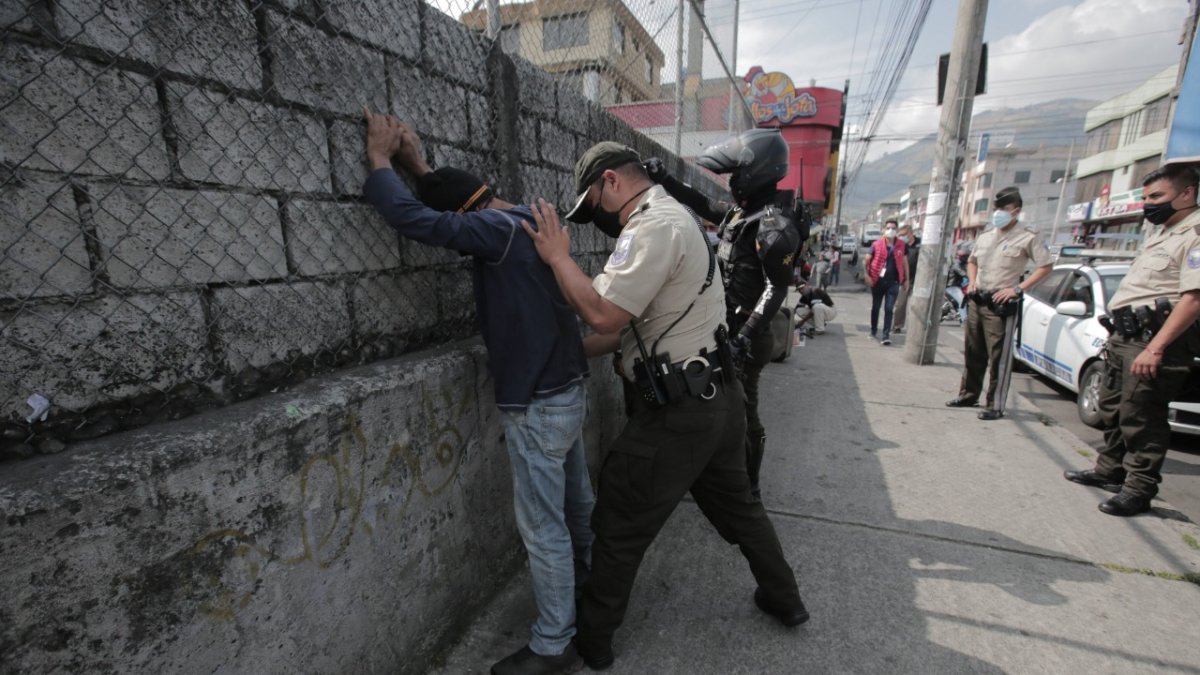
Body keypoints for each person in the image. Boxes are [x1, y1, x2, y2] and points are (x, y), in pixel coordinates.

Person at [521, 141, 808, 670]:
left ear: (611, 182)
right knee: (741, 510)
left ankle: (592, 644)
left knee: (618, 522)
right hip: (718, 401)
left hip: (680, 415)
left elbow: (605, 315)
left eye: (595, 203)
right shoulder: (678, 223)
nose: (597, 218)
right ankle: (785, 599)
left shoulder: (653, 227)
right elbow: (631, 326)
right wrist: (565, 352)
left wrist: (558, 257)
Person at [361, 110, 594, 675]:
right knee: (576, 504)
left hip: (538, 404)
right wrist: (420, 165)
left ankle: (553, 641)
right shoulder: (524, 214)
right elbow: (458, 199)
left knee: (544, 530)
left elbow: (419, 220)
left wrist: (379, 161)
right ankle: (586, 592)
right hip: (568, 390)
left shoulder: (493, 232)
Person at [642, 128, 802, 497]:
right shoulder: (746, 213)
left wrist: (743, 338)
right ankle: (722, 472)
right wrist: (665, 180)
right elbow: (704, 204)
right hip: (725, 326)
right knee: (719, 405)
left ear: (757, 171)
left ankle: (749, 487)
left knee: (744, 410)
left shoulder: (775, 226)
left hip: (748, 333)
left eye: (737, 173)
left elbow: (777, 287)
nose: (733, 181)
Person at [1064, 164, 1200, 517]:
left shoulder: (1195, 234)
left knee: (1142, 416)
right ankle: (1109, 470)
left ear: (1186, 194)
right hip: (1125, 337)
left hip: (1155, 340)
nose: (1149, 204)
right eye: (1145, 198)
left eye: (1157, 197)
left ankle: (1138, 490)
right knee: (1113, 409)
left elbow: (1194, 299)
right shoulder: (1162, 233)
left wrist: (1156, 348)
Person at [945, 186, 1052, 421]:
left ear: (1016, 210)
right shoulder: (985, 236)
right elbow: (972, 261)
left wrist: (1017, 289)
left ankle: (995, 404)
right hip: (978, 299)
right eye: (996, 209)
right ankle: (968, 395)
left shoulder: (1028, 236)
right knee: (973, 352)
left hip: (1000, 304)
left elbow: (1046, 266)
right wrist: (972, 283)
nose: (998, 213)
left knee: (999, 359)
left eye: (1003, 209)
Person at [862, 219, 908, 346]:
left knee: (889, 308)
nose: (891, 230)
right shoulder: (876, 244)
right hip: (877, 280)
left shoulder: (901, 245)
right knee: (876, 307)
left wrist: (906, 279)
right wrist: (866, 275)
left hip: (893, 282)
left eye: (893, 228)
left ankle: (886, 335)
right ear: (884, 229)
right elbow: (866, 260)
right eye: (888, 228)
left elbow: (904, 262)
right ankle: (873, 330)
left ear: (897, 230)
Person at [891, 223, 920, 333]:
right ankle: (897, 325)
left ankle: (915, 329)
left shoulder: (920, 245)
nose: (902, 237)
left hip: (918, 281)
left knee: (916, 307)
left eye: (904, 234)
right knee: (900, 305)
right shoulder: (901, 246)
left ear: (911, 233)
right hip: (904, 281)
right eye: (900, 235)